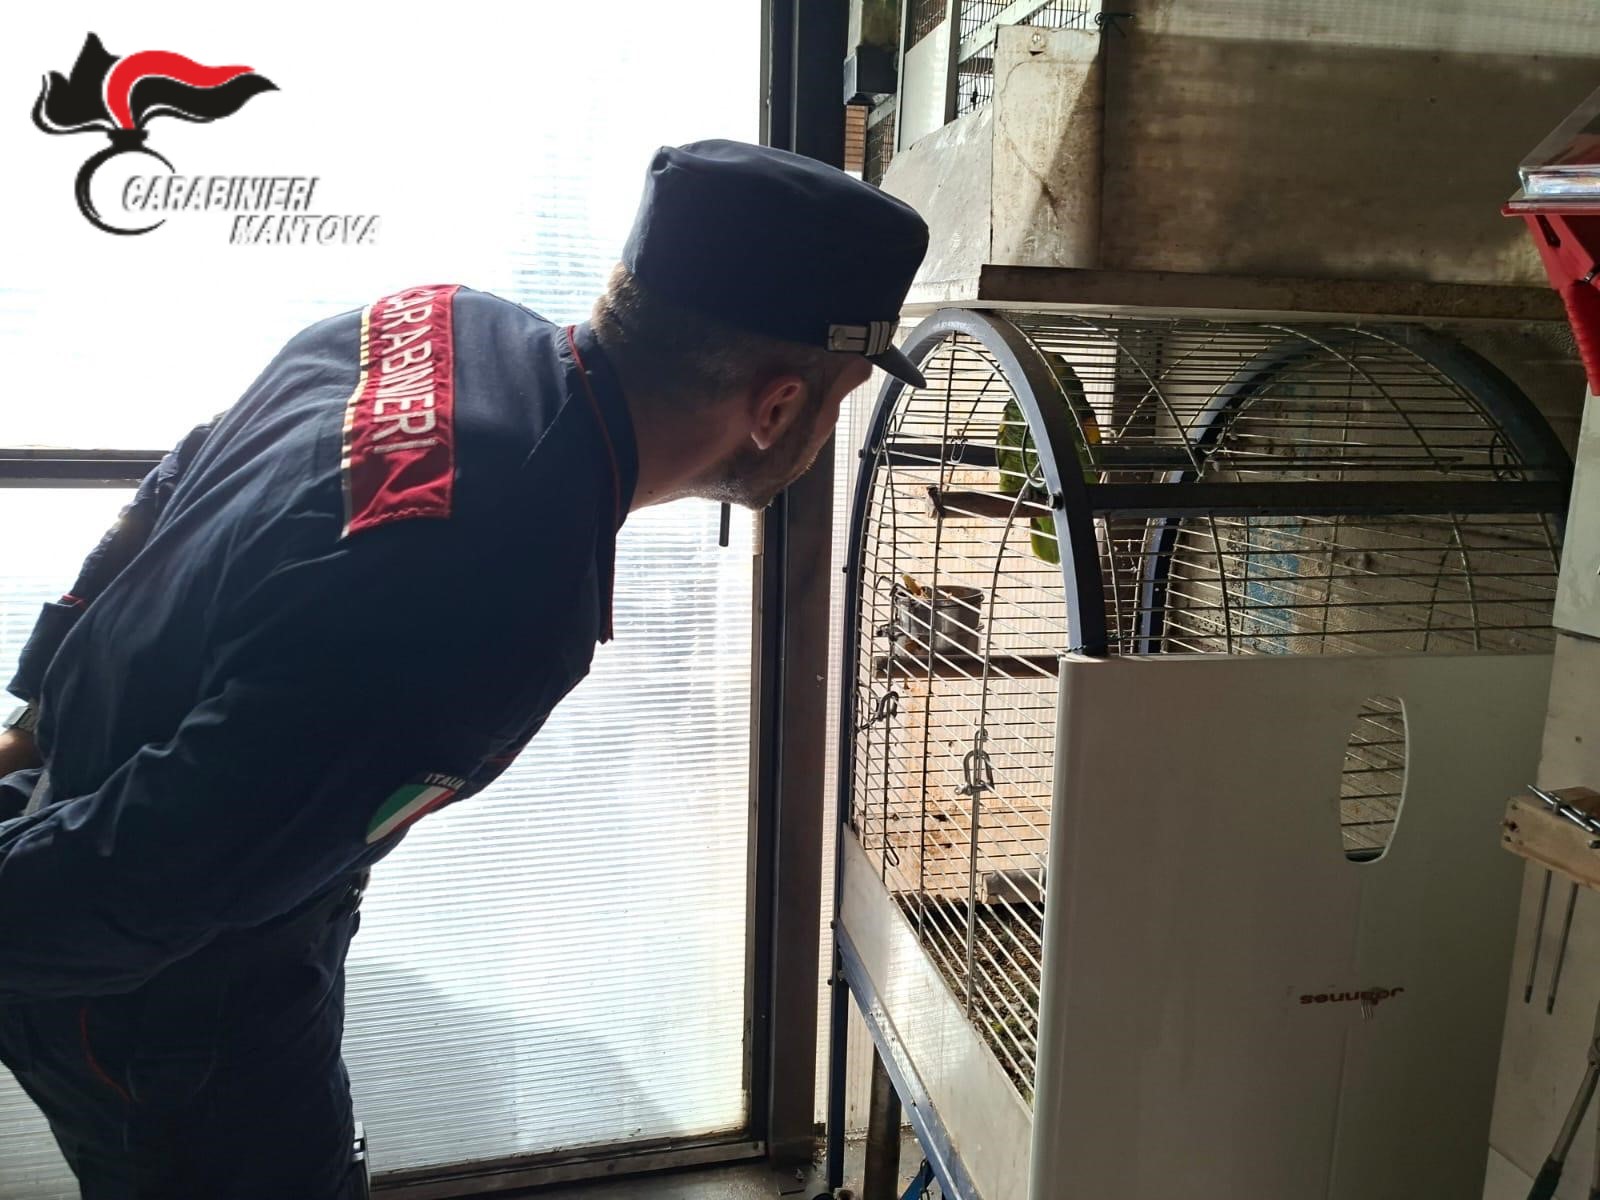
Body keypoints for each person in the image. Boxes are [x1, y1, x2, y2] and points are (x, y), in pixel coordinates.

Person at [0, 139, 929, 1199]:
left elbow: (182, 471)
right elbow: (159, 876)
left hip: (89, 805)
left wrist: (34, 714)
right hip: (154, 993)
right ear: (777, 407)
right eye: (841, 395)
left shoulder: (432, 318)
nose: (829, 424)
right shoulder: (502, 585)